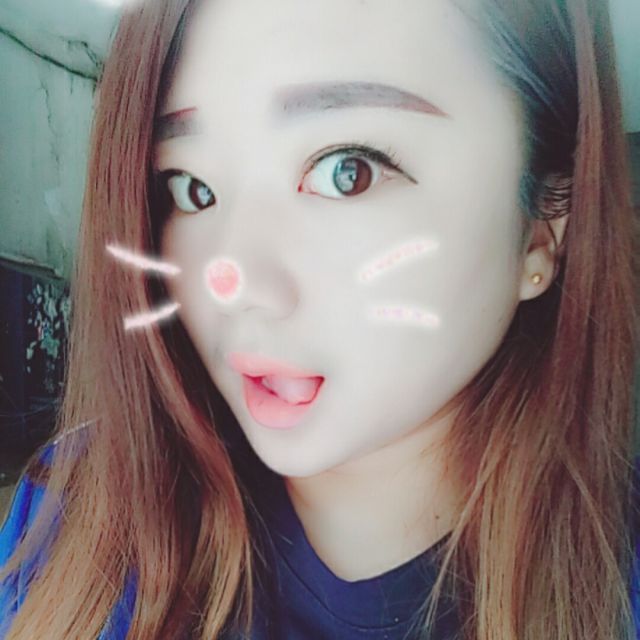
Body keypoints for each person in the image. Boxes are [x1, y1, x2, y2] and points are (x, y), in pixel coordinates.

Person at [1, 0, 638, 638]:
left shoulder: (614, 589)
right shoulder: (79, 509)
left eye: (347, 172)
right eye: (192, 188)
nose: (236, 287)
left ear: (542, 228)